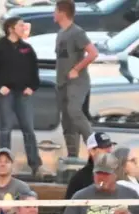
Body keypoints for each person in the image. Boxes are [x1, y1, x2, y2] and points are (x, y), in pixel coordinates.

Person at [0, 18, 42, 172]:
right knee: (6, 128)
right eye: (20, 25)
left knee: (28, 128)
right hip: (6, 93)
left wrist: (32, 87)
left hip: (23, 93)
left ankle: (35, 164)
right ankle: (4, 163)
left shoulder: (27, 49)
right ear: (10, 29)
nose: (23, 28)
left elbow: (34, 70)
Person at [53, 0, 98, 163]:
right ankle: (72, 156)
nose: (53, 14)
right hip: (62, 83)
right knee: (67, 120)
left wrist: (76, 69)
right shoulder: (61, 33)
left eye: (55, 11)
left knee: (74, 111)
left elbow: (93, 53)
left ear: (62, 13)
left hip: (77, 82)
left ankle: (96, 149)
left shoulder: (77, 32)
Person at [64, 132, 115, 199]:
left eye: (110, 146)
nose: (109, 151)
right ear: (92, 151)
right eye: (104, 147)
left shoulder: (117, 174)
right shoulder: (80, 179)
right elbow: (69, 204)